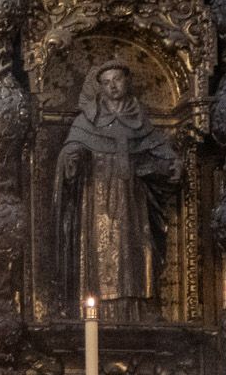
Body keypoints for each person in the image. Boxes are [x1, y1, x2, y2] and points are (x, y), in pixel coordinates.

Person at [55, 59, 179, 321]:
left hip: (133, 202)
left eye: (117, 80)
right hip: (97, 197)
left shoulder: (140, 122)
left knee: (136, 250)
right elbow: (70, 150)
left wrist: (172, 166)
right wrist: (71, 158)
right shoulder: (87, 121)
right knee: (99, 251)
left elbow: (164, 154)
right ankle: (97, 308)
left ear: (127, 81)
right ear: (99, 88)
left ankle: (138, 310)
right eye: (107, 82)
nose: (113, 86)